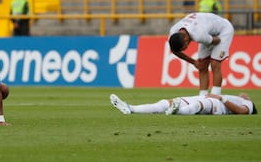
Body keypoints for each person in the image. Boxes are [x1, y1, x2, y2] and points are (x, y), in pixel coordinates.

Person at [168, 13, 234, 96]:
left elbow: (216, 41)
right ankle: (202, 97)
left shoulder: (199, 35)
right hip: (206, 29)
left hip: (223, 30)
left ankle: (215, 96)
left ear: (185, 39)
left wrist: (212, 45)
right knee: (202, 65)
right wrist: (194, 62)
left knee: (215, 63)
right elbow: (174, 50)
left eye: (183, 48)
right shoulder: (173, 32)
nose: (185, 49)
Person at [110, 93, 257, 115]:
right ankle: (131, 108)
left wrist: (220, 98)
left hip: (217, 104)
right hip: (209, 98)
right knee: (165, 103)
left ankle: (178, 111)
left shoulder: (248, 104)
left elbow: (241, 111)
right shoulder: (241, 98)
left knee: (198, 105)